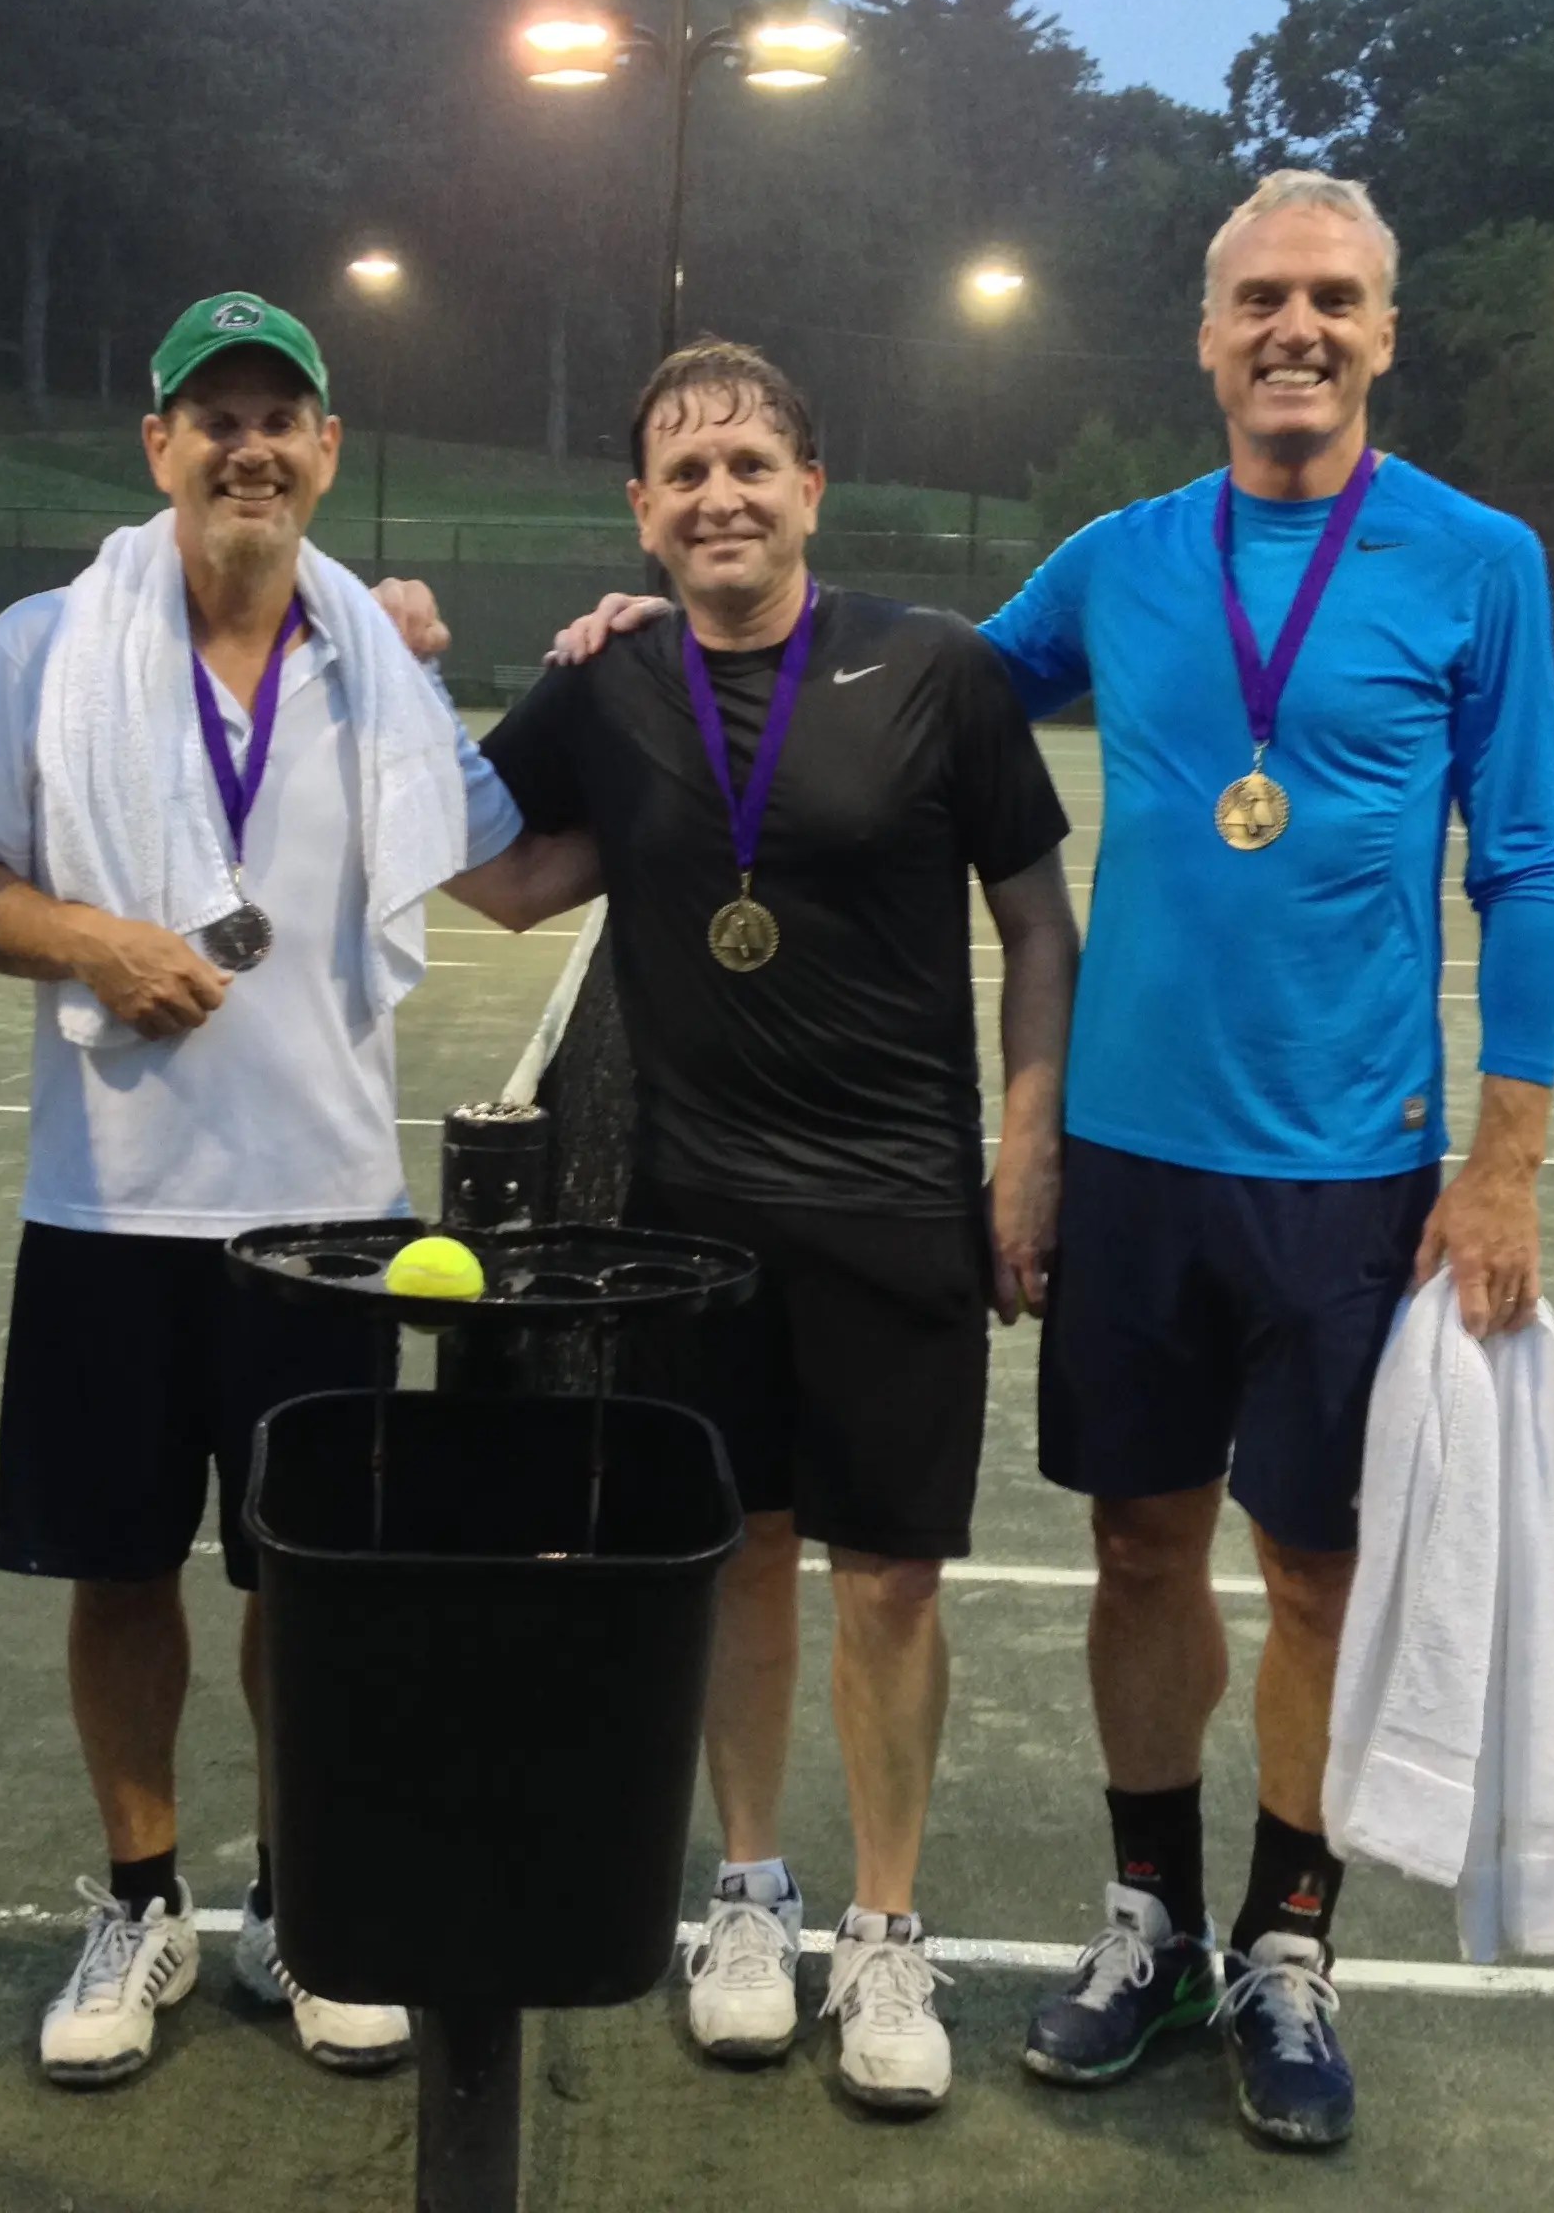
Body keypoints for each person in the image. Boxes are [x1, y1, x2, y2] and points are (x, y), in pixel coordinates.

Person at [984, 172, 1554, 2147]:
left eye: (1333, 298)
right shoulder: (1122, 559)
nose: (1295, 329)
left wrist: (1504, 1162)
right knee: (1139, 1547)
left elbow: (1530, 868)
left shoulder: (1477, 562)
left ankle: (1286, 1945)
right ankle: (1149, 1914)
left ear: (1387, 333)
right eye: (1261, 300)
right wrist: (673, 634)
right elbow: (916, 708)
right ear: (1209, 335)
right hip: (1133, 1158)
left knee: (1316, 1569)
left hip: (1352, 1176)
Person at [0, 291, 594, 2088]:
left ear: (323, 450)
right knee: (117, 1571)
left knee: (308, 1584)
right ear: (155, 448)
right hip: (109, 1203)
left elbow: (520, 879)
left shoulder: (375, 667)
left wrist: (656, 690)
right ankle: (142, 1898)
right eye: (209, 415)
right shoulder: (36, 648)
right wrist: (86, 938)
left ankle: (306, 1901)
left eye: (279, 417)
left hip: (322, 1213)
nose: (247, 445)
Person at [478, 339, 1079, 2115]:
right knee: (737, 1556)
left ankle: (886, 1930)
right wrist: (358, 720)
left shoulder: (940, 673)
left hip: (899, 1204)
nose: (719, 493)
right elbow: (511, 881)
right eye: (684, 471)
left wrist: (1026, 1150)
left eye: (751, 462)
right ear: (643, 516)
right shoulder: (610, 685)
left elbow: (1041, 925)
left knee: (891, 1577)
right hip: (691, 1220)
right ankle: (748, 1896)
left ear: (812, 487)